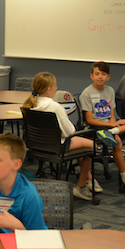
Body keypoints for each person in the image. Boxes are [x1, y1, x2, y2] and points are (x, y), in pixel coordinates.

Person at [21, 71, 102, 201]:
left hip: (36, 147)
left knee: (82, 149)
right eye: (55, 86)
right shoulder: (55, 107)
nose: (56, 89)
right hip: (58, 147)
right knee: (92, 146)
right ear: (48, 89)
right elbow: (70, 132)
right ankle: (80, 186)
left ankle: (90, 180)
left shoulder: (29, 105)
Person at [78, 61, 125, 194]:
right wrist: (111, 125)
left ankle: (114, 132)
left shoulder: (110, 91)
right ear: (91, 76)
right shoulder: (87, 93)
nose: (100, 77)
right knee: (118, 142)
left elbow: (112, 115)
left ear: (108, 77)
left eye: (103, 74)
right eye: (97, 74)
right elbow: (90, 120)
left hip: (109, 125)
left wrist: (115, 123)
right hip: (95, 126)